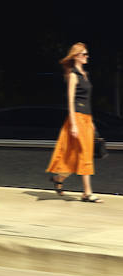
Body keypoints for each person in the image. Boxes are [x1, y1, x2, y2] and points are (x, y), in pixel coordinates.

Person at [47, 42, 101, 202]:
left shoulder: (85, 74)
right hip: (76, 117)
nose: (87, 57)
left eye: (87, 54)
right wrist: (74, 124)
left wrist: (91, 121)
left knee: (77, 156)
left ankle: (58, 179)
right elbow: (70, 101)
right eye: (84, 54)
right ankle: (87, 193)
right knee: (83, 154)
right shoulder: (72, 75)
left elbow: (88, 100)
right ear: (76, 56)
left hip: (86, 118)